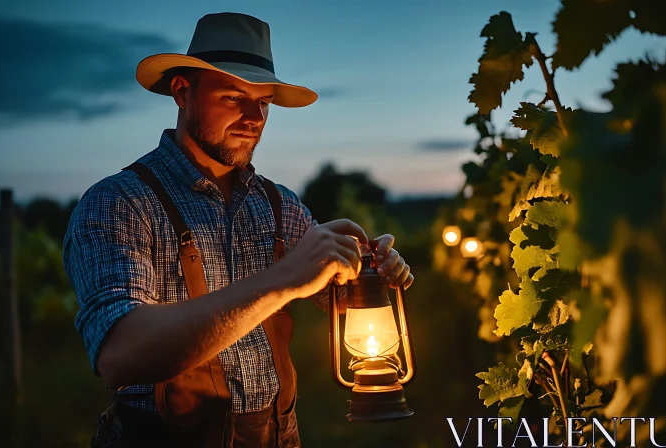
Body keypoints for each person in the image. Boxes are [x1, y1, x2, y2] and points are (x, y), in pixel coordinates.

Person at [63, 12, 414, 448]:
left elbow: (340, 300)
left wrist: (372, 272)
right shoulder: (120, 203)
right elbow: (120, 353)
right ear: (182, 91)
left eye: (263, 102)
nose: (254, 117)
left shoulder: (278, 204)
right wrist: (282, 281)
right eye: (233, 97)